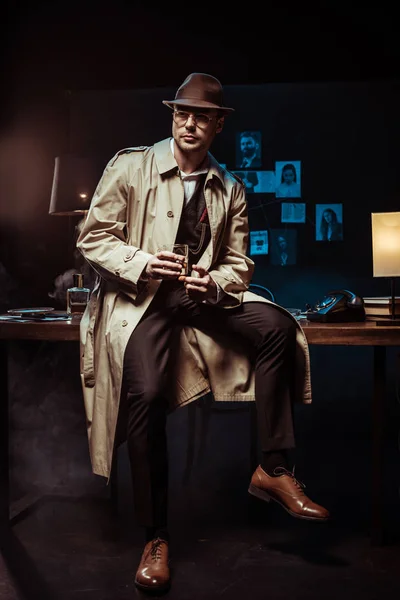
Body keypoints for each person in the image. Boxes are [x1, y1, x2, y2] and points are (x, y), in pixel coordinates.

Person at [76, 72, 329, 594]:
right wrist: (144, 262)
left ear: (217, 126)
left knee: (279, 326)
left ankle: (273, 468)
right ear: (174, 118)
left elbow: (240, 264)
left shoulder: (230, 188)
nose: (190, 124)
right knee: (144, 393)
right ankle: (155, 536)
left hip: (202, 300)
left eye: (202, 117)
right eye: (182, 114)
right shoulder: (130, 166)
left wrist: (213, 283)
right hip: (143, 301)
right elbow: (92, 239)